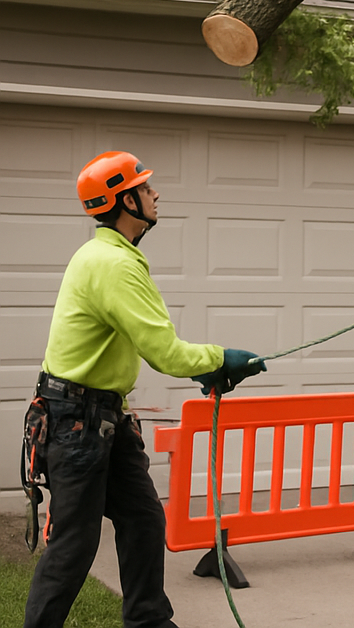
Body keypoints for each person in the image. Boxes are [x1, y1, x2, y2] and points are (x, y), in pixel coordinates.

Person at [22, 151, 268, 628]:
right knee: (75, 545)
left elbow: (123, 355)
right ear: (125, 201)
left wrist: (206, 372)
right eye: (146, 187)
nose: (155, 194)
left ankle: (148, 621)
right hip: (78, 423)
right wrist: (222, 360)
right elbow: (166, 353)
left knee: (143, 519)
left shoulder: (111, 256)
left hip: (98, 417)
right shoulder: (113, 264)